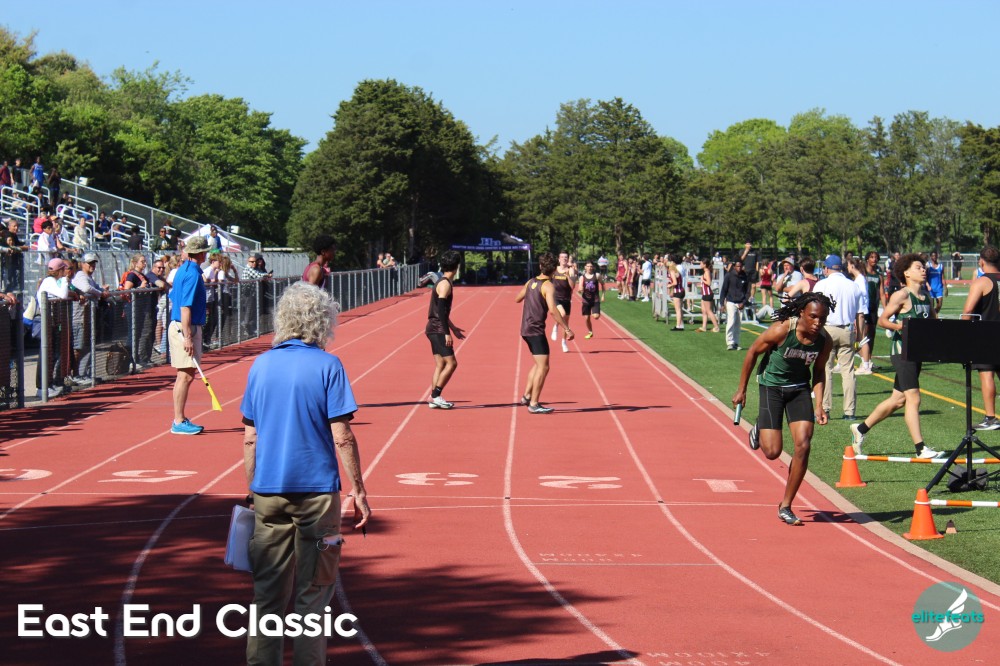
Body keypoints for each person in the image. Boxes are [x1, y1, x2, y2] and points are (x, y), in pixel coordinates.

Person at [240, 281, 371, 666]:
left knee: (267, 595)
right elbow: (341, 435)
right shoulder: (328, 365)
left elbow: (250, 438)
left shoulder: (261, 365)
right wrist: (359, 490)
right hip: (316, 494)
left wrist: (253, 488)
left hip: (268, 490)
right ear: (323, 321)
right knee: (313, 595)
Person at [733, 292, 833, 526]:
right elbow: (752, 352)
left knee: (803, 445)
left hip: (799, 389)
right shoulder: (782, 330)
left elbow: (819, 371)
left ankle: (786, 505)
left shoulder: (824, 340)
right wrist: (742, 390)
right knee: (772, 452)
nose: (817, 322)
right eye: (813, 316)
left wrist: (819, 404)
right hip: (772, 387)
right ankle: (760, 426)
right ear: (802, 313)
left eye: (822, 318)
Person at [850, 254, 945, 459]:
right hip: (902, 352)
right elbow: (883, 320)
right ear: (906, 273)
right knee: (914, 398)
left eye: (923, 267)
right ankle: (920, 449)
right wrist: (901, 326)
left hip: (917, 352)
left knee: (898, 400)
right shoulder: (901, 295)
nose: (923, 270)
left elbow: (933, 323)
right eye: (918, 267)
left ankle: (860, 429)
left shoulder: (926, 297)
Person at [515, 252, 574, 414]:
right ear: (554, 269)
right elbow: (553, 311)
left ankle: (527, 396)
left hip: (525, 328)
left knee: (538, 364)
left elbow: (517, 298)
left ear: (540, 266)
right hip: (536, 329)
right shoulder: (548, 286)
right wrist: (567, 329)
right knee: (544, 367)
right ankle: (534, 404)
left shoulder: (530, 282)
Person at [168, 235, 210, 435]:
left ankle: (180, 418)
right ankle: (178, 420)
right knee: (185, 375)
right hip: (185, 327)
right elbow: (185, 307)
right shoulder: (192, 274)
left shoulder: (184, 270)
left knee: (186, 374)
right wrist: (187, 336)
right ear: (201, 254)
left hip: (185, 326)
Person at [813, 255, 864, 420]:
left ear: (827, 269)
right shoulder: (853, 285)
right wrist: (860, 336)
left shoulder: (821, 284)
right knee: (848, 371)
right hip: (847, 329)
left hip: (827, 329)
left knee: (825, 369)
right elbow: (860, 314)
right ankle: (849, 411)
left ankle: (825, 407)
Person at [962, 246, 1000, 431]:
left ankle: (990, 417)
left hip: (986, 334)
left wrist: (962, 332)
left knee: (987, 374)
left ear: (981, 262)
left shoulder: (982, 281)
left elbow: (968, 310)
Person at [425, 250, 465, 409]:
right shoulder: (445, 284)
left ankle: (433, 397)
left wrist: (454, 328)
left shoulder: (443, 282)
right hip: (438, 329)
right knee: (452, 363)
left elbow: (441, 312)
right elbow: (441, 311)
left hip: (433, 327)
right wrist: (447, 332)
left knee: (440, 364)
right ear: (456, 267)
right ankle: (436, 396)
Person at [70, 252, 110, 382]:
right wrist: (100, 293)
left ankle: (83, 373)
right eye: (89, 263)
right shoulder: (81, 275)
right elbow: (86, 288)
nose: (92, 265)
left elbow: (97, 288)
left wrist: (103, 291)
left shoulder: (89, 277)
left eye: (93, 263)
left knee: (87, 346)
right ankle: (75, 375)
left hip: (88, 317)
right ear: (83, 264)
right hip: (79, 318)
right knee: (78, 348)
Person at [859, 251, 885, 374]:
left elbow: (882, 293)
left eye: (876, 257)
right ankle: (863, 360)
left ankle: (868, 360)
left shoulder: (879, 276)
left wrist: (885, 308)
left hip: (873, 308)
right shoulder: (862, 274)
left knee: (871, 334)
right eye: (872, 257)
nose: (874, 259)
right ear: (867, 259)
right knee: (862, 334)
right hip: (863, 307)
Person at [846, 257, 872, 376]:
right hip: (859, 311)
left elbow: (862, 294)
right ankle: (864, 363)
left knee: (862, 338)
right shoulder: (858, 279)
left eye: (848, 265)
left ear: (852, 266)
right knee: (858, 338)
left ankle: (866, 365)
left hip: (861, 312)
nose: (847, 267)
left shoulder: (860, 279)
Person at [549, 251, 577, 353]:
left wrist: (568, 276)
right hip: (555, 297)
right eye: (562, 257)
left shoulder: (571, 270)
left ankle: (563, 342)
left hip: (566, 298)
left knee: (565, 323)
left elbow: (572, 286)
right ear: (559, 259)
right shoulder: (554, 269)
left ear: (568, 259)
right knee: (562, 314)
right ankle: (555, 326)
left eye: (566, 257)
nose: (564, 259)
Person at [719, 259, 749, 351]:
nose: (739, 268)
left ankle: (736, 342)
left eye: (741, 266)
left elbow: (747, 292)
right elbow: (724, 290)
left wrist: (743, 302)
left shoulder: (744, 276)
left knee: (738, 324)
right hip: (731, 301)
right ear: (734, 266)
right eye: (737, 266)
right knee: (731, 321)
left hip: (740, 303)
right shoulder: (729, 275)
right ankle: (730, 342)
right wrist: (722, 303)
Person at [577, 260, 604, 339]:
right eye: (588, 266)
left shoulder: (597, 275)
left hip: (595, 299)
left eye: (591, 266)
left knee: (596, 317)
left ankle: (595, 311)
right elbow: (579, 288)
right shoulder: (582, 277)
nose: (589, 268)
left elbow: (603, 284)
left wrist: (603, 295)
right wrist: (580, 289)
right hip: (586, 300)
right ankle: (590, 332)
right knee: (587, 318)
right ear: (585, 267)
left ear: (593, 267)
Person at [696, 258, 720, 333]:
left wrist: (702, 279)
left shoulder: (707, 272)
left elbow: (709, 283)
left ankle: (716, 327)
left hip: (708, 294)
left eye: (701, 263)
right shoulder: (706, 272)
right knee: (704, 311)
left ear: (705, 264)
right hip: (704, 293)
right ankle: (704, 327)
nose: (700, 265)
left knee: (709, 311)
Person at [667, 259, 685, 330]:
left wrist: (669, 285)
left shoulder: (672, 272)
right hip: (681, 290)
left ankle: (678, 326)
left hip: (677, 291)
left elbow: (675, 283)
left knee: (677, 310)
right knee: (680, 309)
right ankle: (681, 325)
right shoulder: (677, 272)